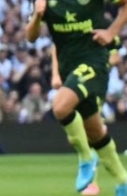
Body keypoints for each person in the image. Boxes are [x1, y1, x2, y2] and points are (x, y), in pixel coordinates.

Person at [26, 0, 127, 196]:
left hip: (95, 61)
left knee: (60, 106)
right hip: (68, 65)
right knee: (95, 130)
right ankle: (123, 179)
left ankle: (87, 160)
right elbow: (31, 36)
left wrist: (111, 32)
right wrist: (37, 16)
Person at [51, 39, 122, 196]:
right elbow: (57, 46)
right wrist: (56, 74)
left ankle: (93, 183)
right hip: (73, 81)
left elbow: (116, 57)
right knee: (78, 133)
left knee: (92, 131)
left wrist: (96, 63)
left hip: (95, 83)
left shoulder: (103, 30)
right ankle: (118, 179)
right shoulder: (74, 31)